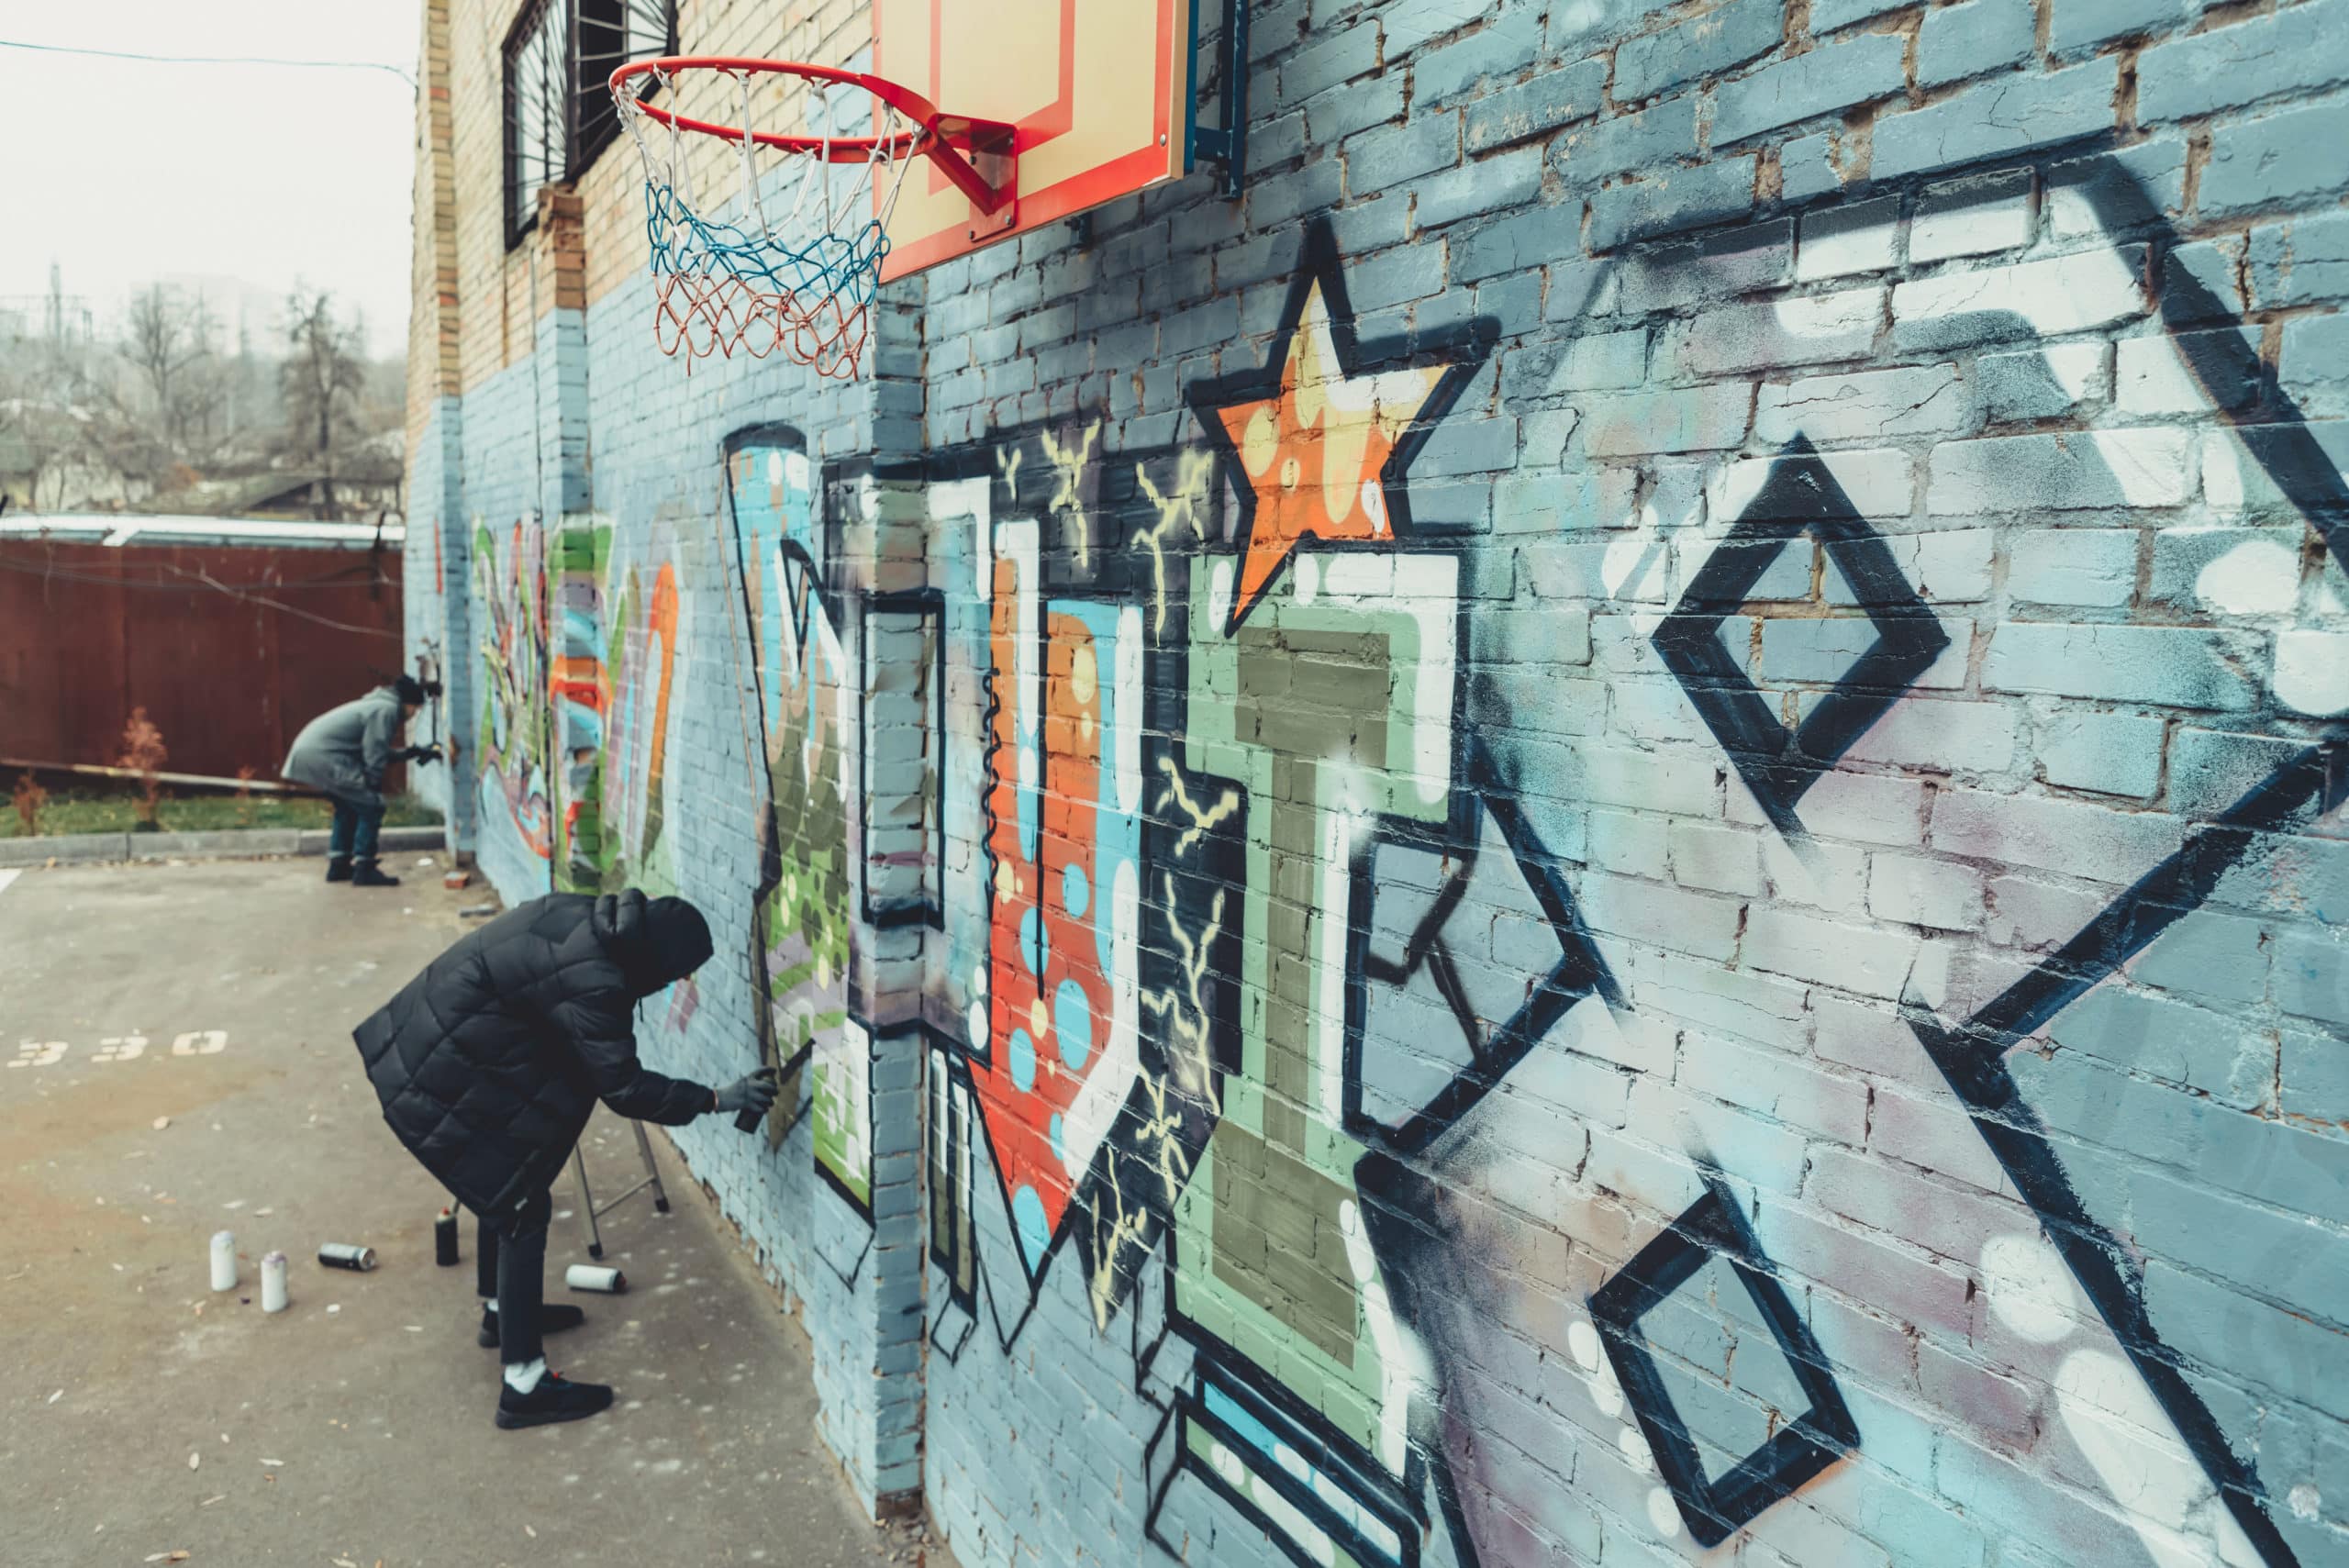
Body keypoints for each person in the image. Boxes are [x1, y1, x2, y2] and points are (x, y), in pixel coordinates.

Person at [354, 888, 780, 1429]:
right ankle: (523, 1385)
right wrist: (718, 1098)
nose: (677, 983)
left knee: (504, 1180)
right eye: (678, 972)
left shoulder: (587, 916)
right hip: (445, 1068)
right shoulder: (598, 979)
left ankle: (502, 1314)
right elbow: (624, 1088)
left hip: (443, 1037)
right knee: (521, 1206)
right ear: (659, 956)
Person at [282, 673, 441, 887]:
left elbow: (376, 750)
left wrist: (411, 753)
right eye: (415, 709)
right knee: (371, 806)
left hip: (313, 755)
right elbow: (374, 752)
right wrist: (373, 784)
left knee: (347, 808)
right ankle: (365, 869)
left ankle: (339, 865)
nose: (414, 715)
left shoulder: (378, 705)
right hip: (325, 758)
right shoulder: (385, 711)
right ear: (407, 703)